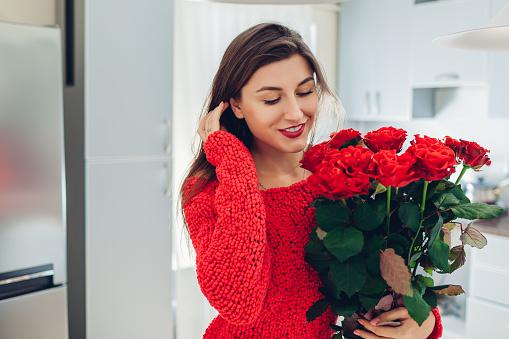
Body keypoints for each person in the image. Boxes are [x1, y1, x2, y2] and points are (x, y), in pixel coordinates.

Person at [179, 22, 443, 339]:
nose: (295, 113)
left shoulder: (346, 168)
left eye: (305, 92)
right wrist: (235, 166)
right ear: (236, 104)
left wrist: (424, 320)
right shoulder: (208, 190)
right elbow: (239, 304)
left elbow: (394, 268)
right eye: (271, 99)